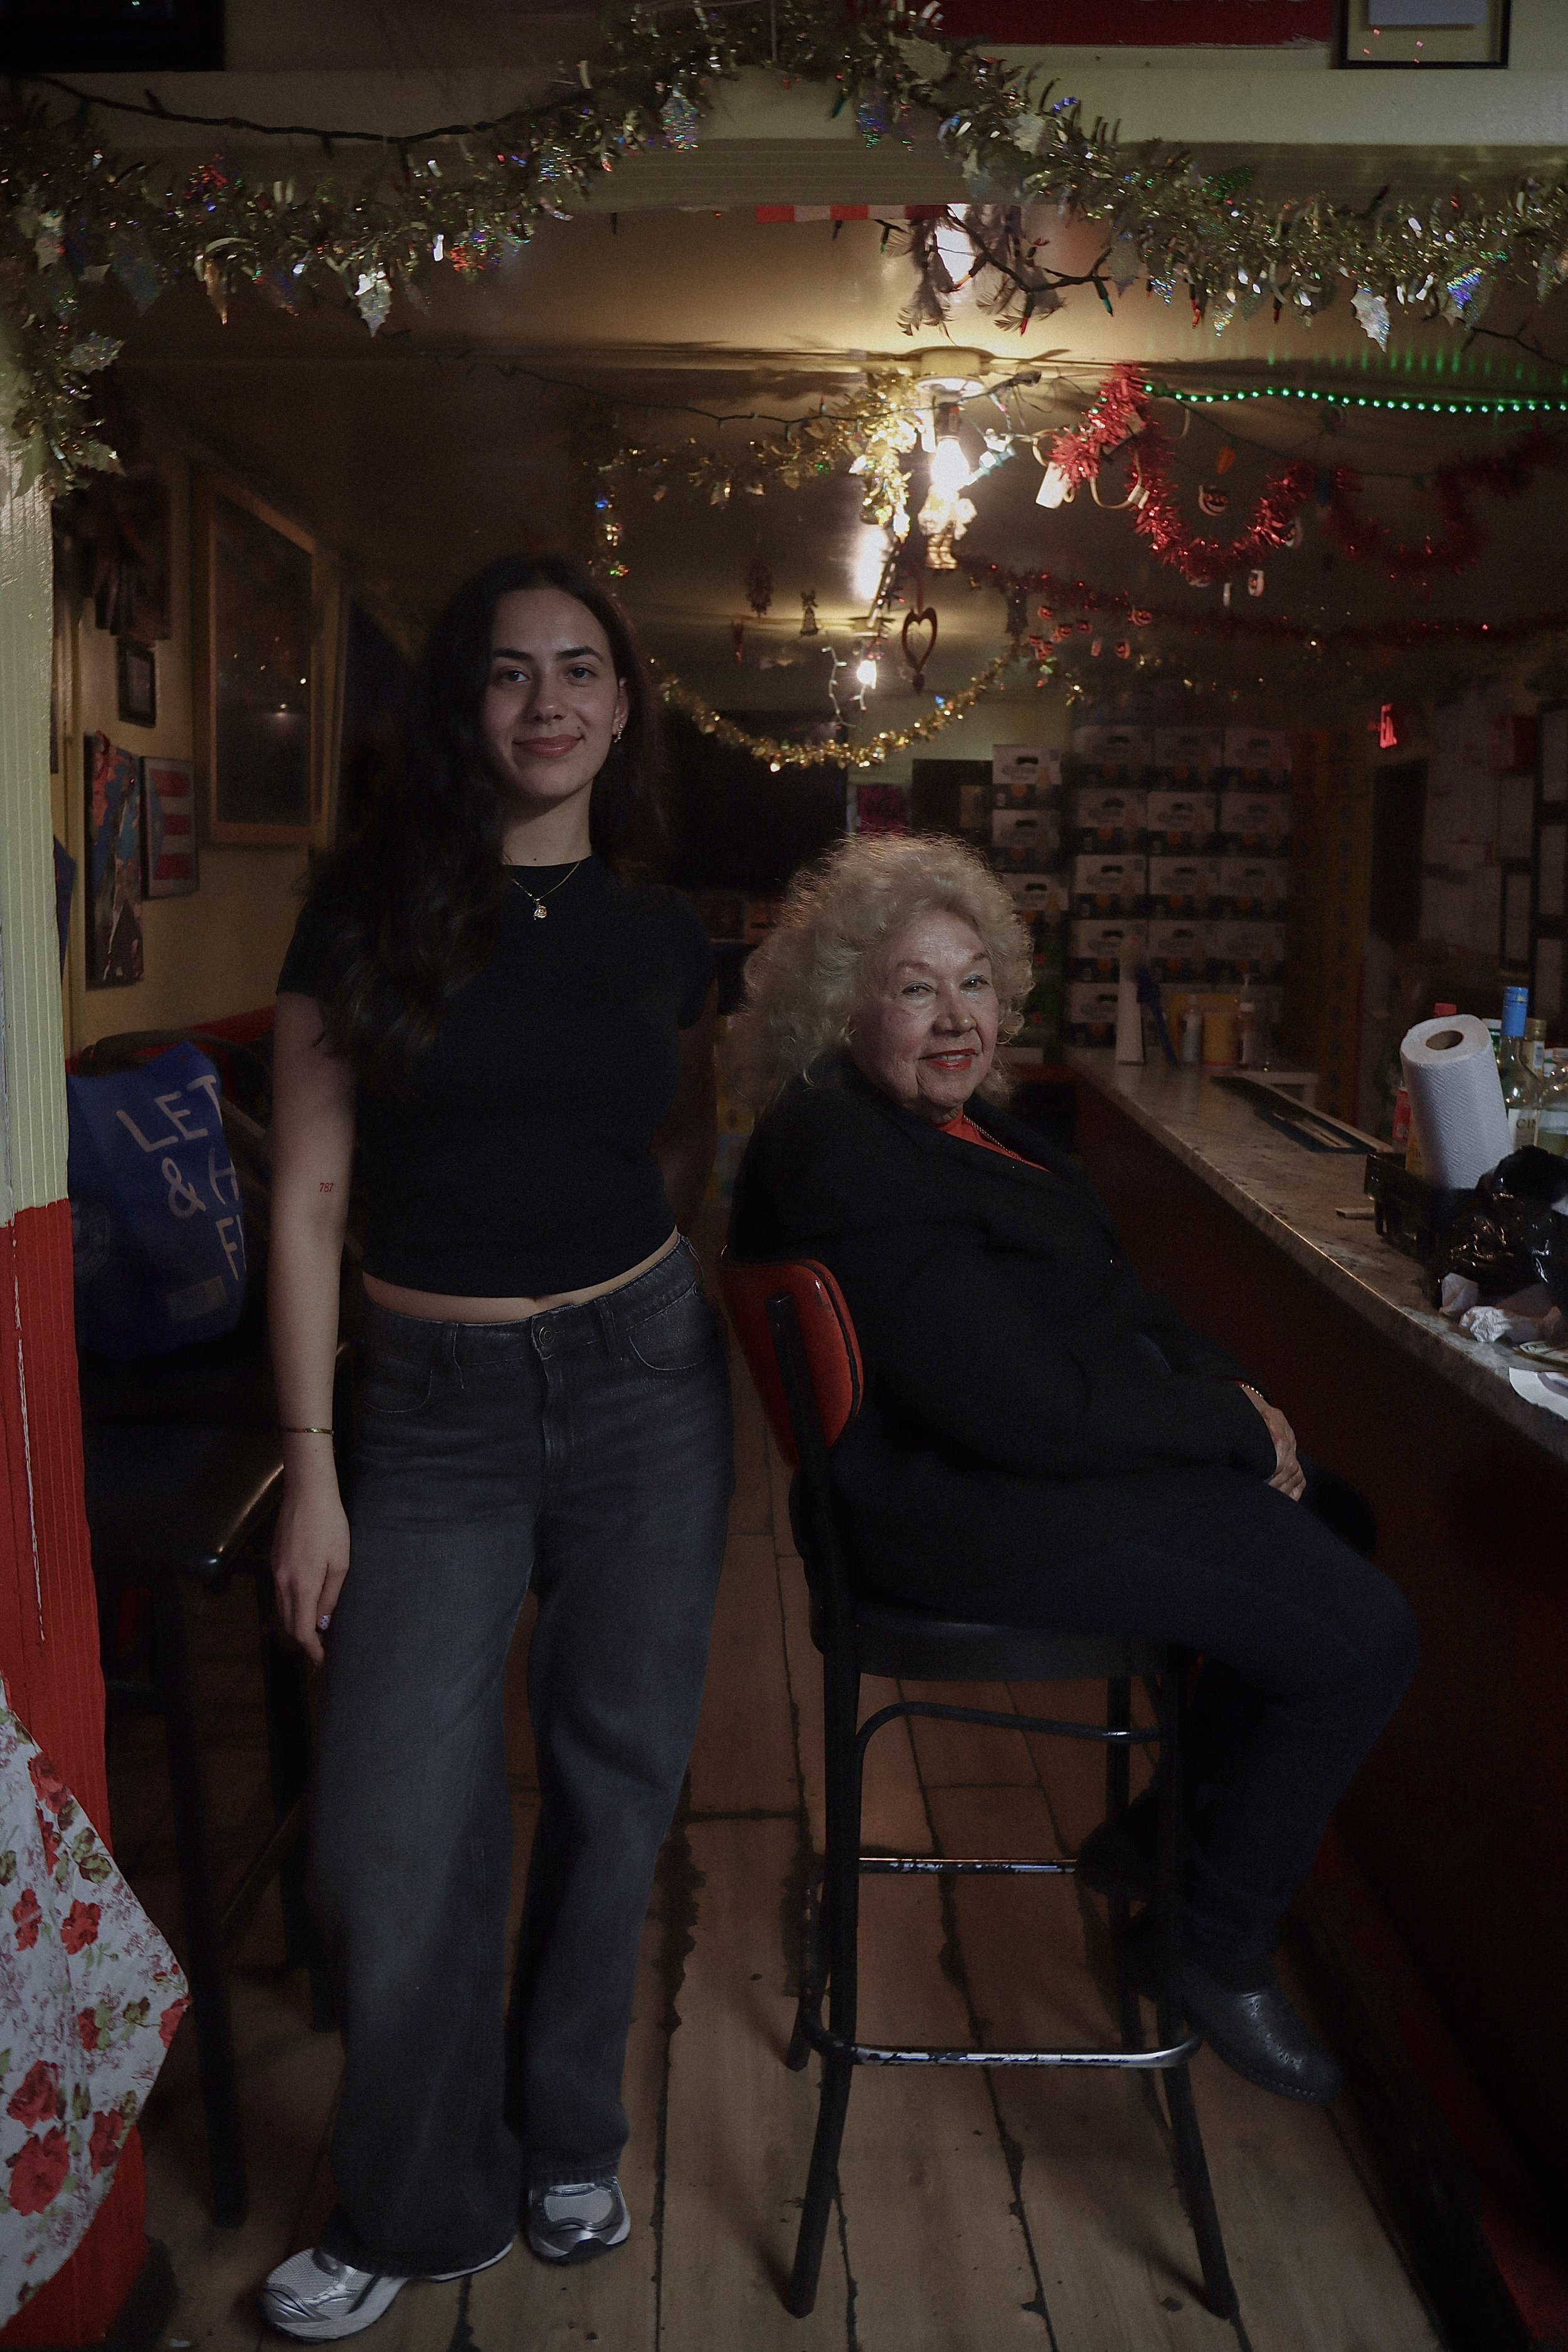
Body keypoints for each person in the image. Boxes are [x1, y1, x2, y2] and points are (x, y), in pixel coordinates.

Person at [726, 832, 1416, 2102]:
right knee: (1361, 1637)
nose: (954, 1017)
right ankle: (1208, 1942)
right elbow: (1024, 1409)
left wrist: (1242, 1404)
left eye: (974, 981)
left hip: (1007, 1471)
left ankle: (1151, 1839)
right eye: (913, 986)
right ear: (840, 1003)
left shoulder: (964, 1132)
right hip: (956, 1512)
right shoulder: (839, 1148)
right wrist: (1221, 1428)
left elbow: (1107, 1306)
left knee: (1338, 1511)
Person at [260, 553, 733, 2339]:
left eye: (580, 670)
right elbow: (307, 1195)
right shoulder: (361, 910)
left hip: (642, 1388)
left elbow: (682, 1139)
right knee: (391, 1823)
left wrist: (626, 1289)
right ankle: (413, 2188)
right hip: (428, 1414)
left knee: (616, 1783)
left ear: (622, 707)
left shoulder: (658, 931)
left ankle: (563, 2129)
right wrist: (311, 1457)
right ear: (461, 708)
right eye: (508, 673)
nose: (545, 701)